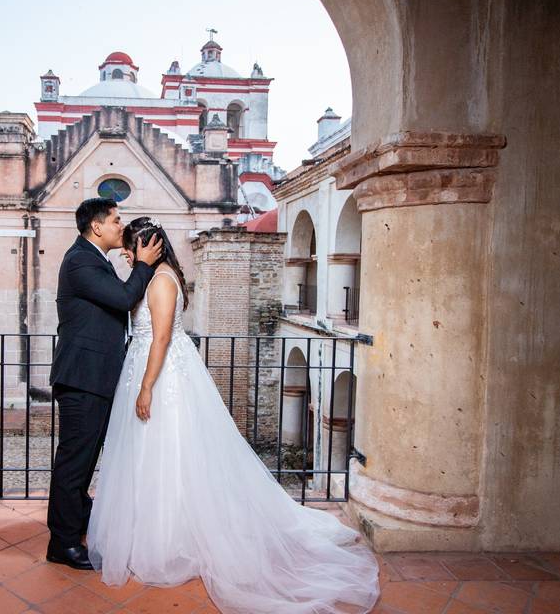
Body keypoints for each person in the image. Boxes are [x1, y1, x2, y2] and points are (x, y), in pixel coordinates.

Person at [86, 216, 380, 613]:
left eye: (130, 246)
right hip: (148, 367)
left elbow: (158, 338)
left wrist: (145, 387)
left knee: (169, 451)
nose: (125, 252)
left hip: (161, 376)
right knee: (151, 455)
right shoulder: (153, 276)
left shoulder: (160, 281)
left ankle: (174, 537)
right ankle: (156, 532)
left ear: (148, 245)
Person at [46, 198, 163, 570]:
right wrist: (144, 265)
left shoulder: (97, 260)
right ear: (96, 227)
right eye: (115, 221)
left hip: (95, 378)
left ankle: (78, 519)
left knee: (85, 459)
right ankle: (61, 543)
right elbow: (125, 298)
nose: (119, 226)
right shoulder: (80, 260)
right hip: (82, 377)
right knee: (73, 462)